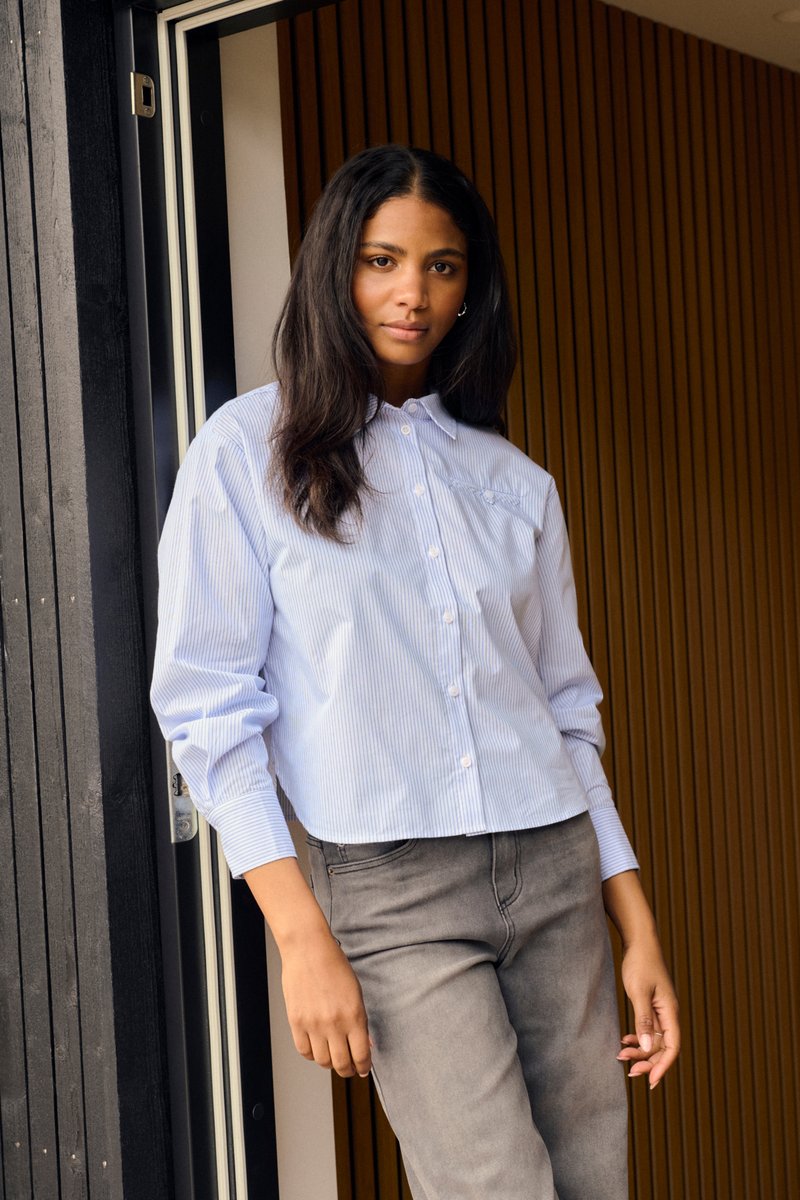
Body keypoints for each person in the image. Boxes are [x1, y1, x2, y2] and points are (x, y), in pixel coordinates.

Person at [150, 144, 680, 1200]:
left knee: (591, 1183)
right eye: (380, 259)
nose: (411, 293)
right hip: (390, 890)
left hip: (553, 868)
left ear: (470, 287)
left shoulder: (512, 480)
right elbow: (208, 710)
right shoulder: (243, 453)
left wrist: (637, 923)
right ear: (330, 270)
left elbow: (567, 711)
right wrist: (299, 934)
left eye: (441, 267)